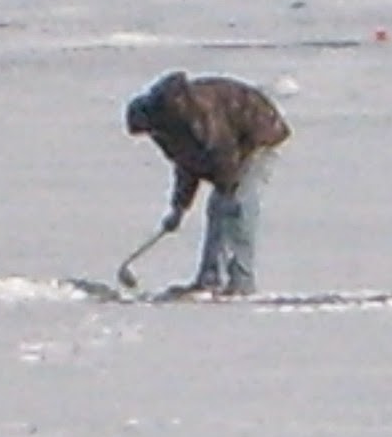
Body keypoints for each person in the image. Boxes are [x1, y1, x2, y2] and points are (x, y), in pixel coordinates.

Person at [123, 71, 291, 297]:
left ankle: (239, 282)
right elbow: (187, 165)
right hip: (232, 145)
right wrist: (179, 207)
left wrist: (226, 190)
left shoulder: (199, 116)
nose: (151, 135)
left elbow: (224, 153)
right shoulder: (167, 129)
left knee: (239, 208)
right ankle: (211, 278)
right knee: (220, 209)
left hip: (259, 136)